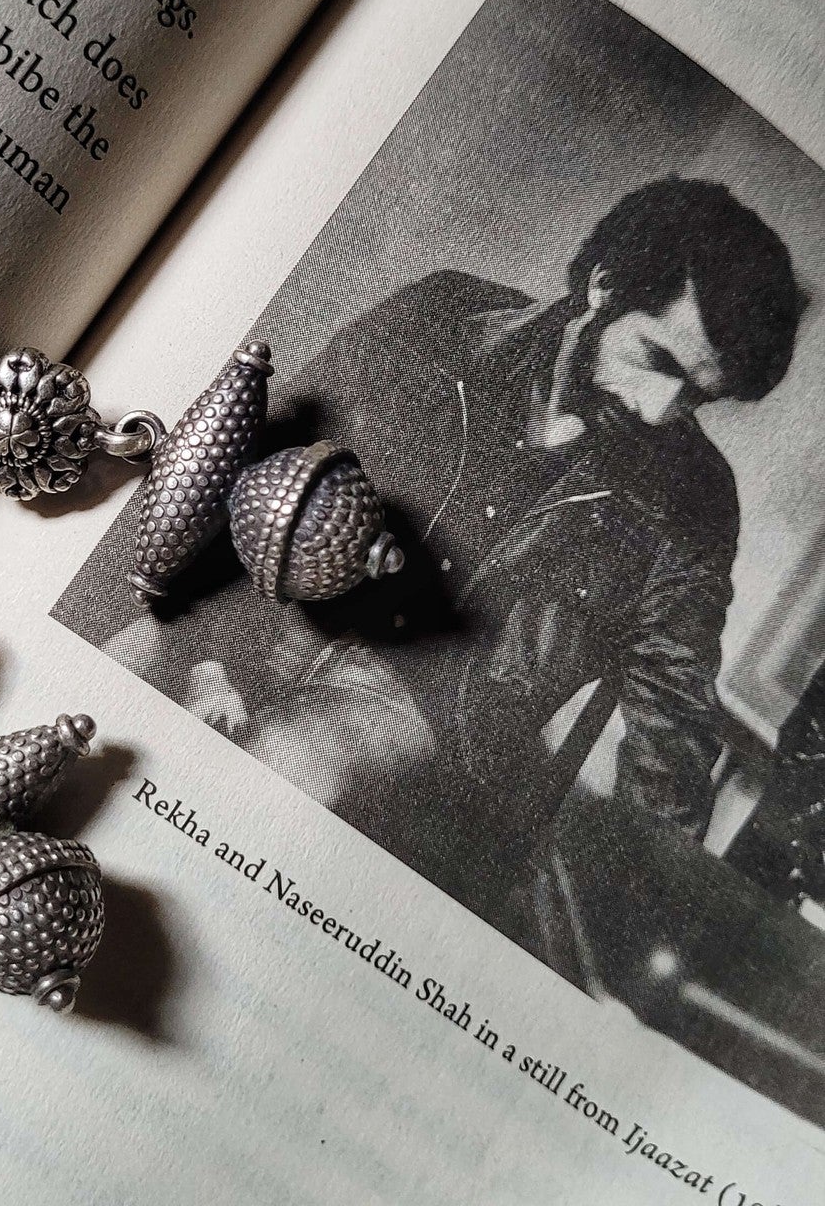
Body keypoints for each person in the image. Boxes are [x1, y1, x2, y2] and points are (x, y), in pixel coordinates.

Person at [106, 178, 803, 934]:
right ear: (604, 285)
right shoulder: (444, 315)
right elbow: (266, 461)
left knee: (286, 760)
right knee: (125, 657)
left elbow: (674, 708)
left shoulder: (696, 501)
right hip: (274, 596)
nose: (658, 409)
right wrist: (216, 655)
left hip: (429, 707)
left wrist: (636, 914)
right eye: (658, 359)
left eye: (698, 398)